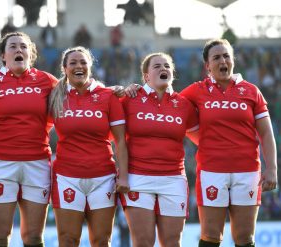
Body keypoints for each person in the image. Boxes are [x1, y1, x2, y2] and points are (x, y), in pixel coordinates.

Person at [180, 39, 278, 247]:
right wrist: (138, 89)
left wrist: (272, 169)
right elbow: (170, 105)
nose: (222, 60)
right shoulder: (196, 90)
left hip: (248, 172)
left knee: (245, 238)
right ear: (207, 66)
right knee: (211, 236)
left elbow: (266, 133)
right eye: (216, 57)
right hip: (211, 171)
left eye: (226, 56)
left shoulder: (252, 91)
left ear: (233, 60)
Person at [0, 31, 58, 247]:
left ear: (31, 53)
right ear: (3, 55)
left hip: (37, 163)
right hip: (0, 164)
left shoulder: (47, 81)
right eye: (12, 46)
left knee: (33, 237)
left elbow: (76, 98)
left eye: (23, 46)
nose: (18, 50)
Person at [48, 46, 129, 246]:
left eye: (83, 62)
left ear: (90, 67)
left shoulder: (108, 96)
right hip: (67, 177)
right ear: (64, 68)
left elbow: (120, 141)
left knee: (101, 240)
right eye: (73, 63)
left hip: (103, 177)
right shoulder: (54, 96)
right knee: (68, 240)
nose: (79, 66)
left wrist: (124, 174)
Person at [120, 52, 198, 247]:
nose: (163, 69)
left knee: (172, 242)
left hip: (173, 180)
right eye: (157, 66)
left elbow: (202, 139)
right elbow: (112, 135)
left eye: (167, 66)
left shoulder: (184, 104)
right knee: (143, 242)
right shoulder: (130, 99)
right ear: (146, 76)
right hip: (137, 178)